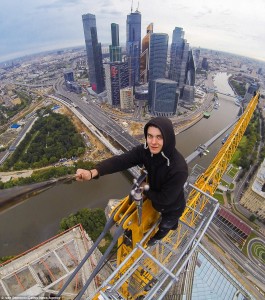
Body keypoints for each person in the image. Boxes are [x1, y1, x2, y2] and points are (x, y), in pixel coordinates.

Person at [76, 117, 188, 245]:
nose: (153, 142)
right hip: (155, 198)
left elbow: (165, 199)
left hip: (172, 206)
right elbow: (122, 161)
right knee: (155, 215)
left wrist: (146, 188)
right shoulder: (146, 151)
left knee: (166, 225)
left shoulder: (179, 169)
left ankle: (157, 238)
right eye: (150, 136)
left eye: (159, 137)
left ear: (168, 138)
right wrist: (93, 172)